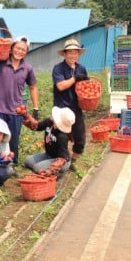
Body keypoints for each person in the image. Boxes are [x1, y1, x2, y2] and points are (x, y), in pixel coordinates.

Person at [0, 34, 40, 164]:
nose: (19, 51)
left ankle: (11, 164)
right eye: (17, 48)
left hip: (16, 111)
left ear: (26, 52)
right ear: (11, 48)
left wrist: (36, 107)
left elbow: (33, 87)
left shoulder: (27, 68)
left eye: (23, 49)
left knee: (13, 140)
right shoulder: (0, 63)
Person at [51, 38, 89, 171]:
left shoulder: (81, 68)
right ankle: (63, 160)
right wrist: (74, 78)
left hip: (76, 108)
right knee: (62, 138)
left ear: (78, 54)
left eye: (75, 53)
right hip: (62, 109)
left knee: (80, 139)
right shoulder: (58, 68)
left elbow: (87, 87)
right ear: (65, 54)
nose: (73, 55)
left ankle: (73, 160)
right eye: (70, 52)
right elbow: (60, 86)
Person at [22, 107, 75, 179]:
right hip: (48, 155)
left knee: (37, 168)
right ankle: (45, 169)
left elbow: (63, 158)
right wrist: (26, 116)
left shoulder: (62, 136)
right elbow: (37, 126)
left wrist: (51, 170)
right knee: (27, 160)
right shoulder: (49, 122)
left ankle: (59, 174)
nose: (52, 115)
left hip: (60, 161)